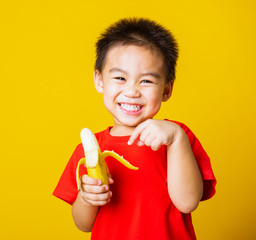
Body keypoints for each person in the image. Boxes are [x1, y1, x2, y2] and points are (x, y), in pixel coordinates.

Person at [53, 18, 216, 240]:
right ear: (99, 80)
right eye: (120, 78)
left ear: (167, 90)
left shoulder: (177, 137)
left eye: (146, 81)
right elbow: (83, 224)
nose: (132, 91)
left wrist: (177, 140)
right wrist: (86, 198)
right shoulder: (88, 151)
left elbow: (188, 202)